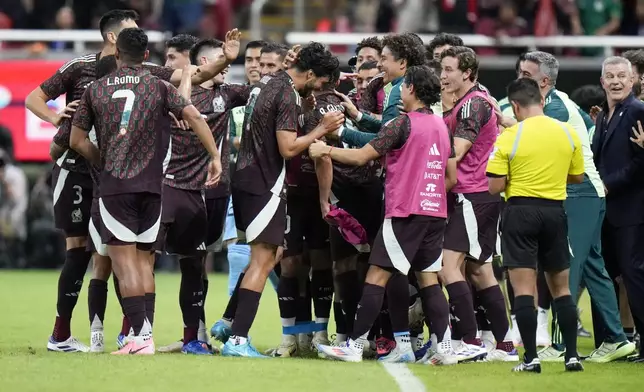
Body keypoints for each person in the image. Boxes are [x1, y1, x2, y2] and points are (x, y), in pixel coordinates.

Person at [26, 9, 239, 353]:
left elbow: (198, 74)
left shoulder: (114, 83)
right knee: (94, 254)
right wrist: (55, 119)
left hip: (112, 179)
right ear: (118, 39)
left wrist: (100, 159)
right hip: (106, 176)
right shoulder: (88, 69)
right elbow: (36, 100)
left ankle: (133, 334)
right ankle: (73, 333)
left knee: (119, 258)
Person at [69, 27, 222, 355]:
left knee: (124, 265)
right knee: (143, 262)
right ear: (147, 56)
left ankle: (140, 337)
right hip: (153, 187)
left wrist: (104, 160)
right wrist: (215, 156)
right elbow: (194, 116)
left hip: (115, 187)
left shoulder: (95, 90)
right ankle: (145, 333)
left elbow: (75, 140)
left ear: (117, 55)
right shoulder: (159, 85)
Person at [311, 65, 459, 365]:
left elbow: (360, 156)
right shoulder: (442, 126)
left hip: (405, 212)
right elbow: (451, 175)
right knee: (429, 280)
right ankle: (444, 348)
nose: (398, 91)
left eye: (403, 87)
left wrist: (324, 150)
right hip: (435, 212)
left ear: (412, 89)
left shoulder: (402, 123)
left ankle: (354, 345)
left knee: (376, 276)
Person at [223, 42, 344, 358]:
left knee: (270, 253)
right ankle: (237, 340)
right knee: (264, 260)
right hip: (264, 183)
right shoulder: (287, 91)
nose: (320, 89)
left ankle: (231, 327)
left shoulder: (266, 84)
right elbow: (289, 148)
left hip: (246, 177)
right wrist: (322, 127)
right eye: (320, 82)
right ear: (312, 73)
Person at [516, 51, 635, 363]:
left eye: (525, 74)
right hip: (584, 193)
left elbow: (531, 139)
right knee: (595, 268)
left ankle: (559, 344)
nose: (519, 79)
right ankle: (616, 338)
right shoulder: (561, 102)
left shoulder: (553, 107)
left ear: (543, 80)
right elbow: (590, 131)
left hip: (580, 194)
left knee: (564, 268)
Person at [487, 77, 585, 373]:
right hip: (555, 211)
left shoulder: (510, 136)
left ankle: (530, 359)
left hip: (520, 212)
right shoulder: (568, 133)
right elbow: (578, 177)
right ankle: (572, 356)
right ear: (542, 101)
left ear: (515, 106)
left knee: (524, 290)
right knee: (562, 290)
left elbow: (494, 186)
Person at [210, 42, 290, 346]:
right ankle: (236, 329)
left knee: (268, 258)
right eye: (253, 61)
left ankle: (230, 321)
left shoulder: (267, 95)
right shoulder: (237, 94)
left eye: (265, 62)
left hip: (262, 185)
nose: (257, 67)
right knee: (248, 255)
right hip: (242, 185)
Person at [439, 46, 512, 361]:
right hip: (480, 195)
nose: (443, 76)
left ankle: (470, 340)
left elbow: (457, 150)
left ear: (466, 72)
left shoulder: (472, 106)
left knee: (447, 266)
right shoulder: (472, 102)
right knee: (481, 271)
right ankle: (506, 345)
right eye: (441, 69)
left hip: (471, 194)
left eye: (448, 69)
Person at [592, 56, 644, 364]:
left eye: (621, 76)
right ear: (602, 82)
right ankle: (610, 340)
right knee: (605, 275)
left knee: (634, 275)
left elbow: (640, 163)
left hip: (630, 210)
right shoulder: (604, 116)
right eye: (610, 76)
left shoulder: (638, 110)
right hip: (606, 210)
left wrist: (608, 185)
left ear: (633, 80)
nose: (615, 81)